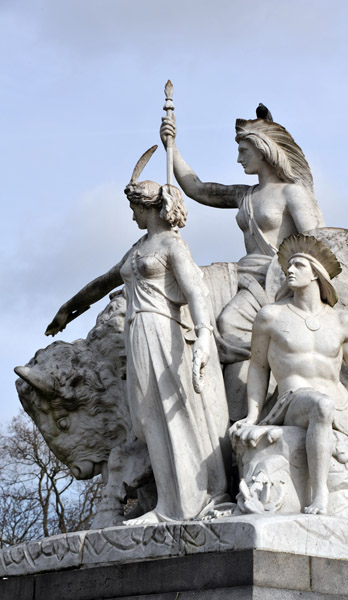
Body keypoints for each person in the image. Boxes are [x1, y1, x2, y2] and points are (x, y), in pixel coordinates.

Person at [46, 176, 231, 524]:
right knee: (146, 418)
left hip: (165, 331)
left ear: (148, 208)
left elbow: (196, 291)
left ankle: (184, 504)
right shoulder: (138, 248)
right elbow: (104, 282)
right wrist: (69, 308)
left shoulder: (173, 246)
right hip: (138, 334)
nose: (132, 217)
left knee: (170, 413)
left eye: (134, 209)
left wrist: (205, 335)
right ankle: (166, 503)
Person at [160, 112, 325, 419]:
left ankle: (263, 386)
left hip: (277, 281)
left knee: (227, 325)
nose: (238, 159)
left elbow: (317, 243)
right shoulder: (244, 195)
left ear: (263, 150)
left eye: (243, 151)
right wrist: (172, 146)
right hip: (244, 277)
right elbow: (198, 189)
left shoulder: (293, 193)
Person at [234, 233, 348, 515]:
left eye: (298, 265)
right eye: (288, 265)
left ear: (316, 274)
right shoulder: (270, 316)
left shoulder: (342, 322)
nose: (289, 270)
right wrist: (253, 415)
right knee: (320, 405)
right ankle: (319, 495)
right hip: (293, 400)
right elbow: (259, 367)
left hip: (345, 407)